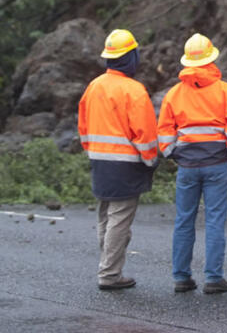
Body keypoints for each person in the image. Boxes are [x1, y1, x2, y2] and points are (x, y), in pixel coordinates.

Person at [157, 33, 227, 295]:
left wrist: (175, 154)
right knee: (215, 220)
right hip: (218, 163)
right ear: (211, 57)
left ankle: (181, 277)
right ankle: (213, 278)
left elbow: (164, 132)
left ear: (187, 62)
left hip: (187, 166)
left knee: (184, 220)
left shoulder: (174, 94)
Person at [78, 28, 160, 290]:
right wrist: (151, 160)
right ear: (131, 57)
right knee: (119, 221)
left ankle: (109, 268)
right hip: (126, 164)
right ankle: (110, 274)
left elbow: (83, 126)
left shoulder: (94, 86)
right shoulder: (133, 90)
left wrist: (91, 152)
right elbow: (145, 133)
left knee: (106, 217)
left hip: (100, 162)